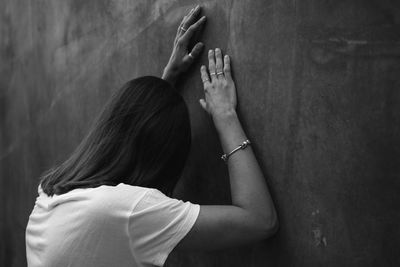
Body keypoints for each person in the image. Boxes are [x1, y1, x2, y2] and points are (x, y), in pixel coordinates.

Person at [25, 5, 278, 267]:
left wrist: (161, 89)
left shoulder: (51, 193)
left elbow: (126, 134)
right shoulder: (126, 210)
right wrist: (225, 115)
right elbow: (260, 220)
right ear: (162, 159)